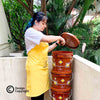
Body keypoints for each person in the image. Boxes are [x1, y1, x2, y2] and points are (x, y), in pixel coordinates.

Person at [24, 11, 65, 100]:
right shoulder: (30, 32)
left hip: (41, 68)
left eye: (45, 24)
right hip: (35, 69)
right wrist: (59, 37)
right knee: (36, 96)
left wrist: (56, 44)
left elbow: (45, 50)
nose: (45, 26)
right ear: (36, 21)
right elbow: (47, 39)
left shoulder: (39, 34)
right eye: (43, 23)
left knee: (41, 95)